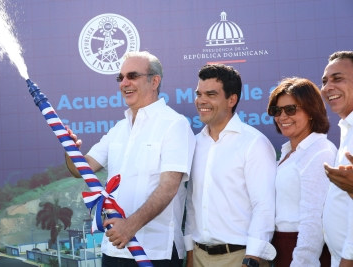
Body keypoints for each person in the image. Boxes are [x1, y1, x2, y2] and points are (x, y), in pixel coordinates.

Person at [65, 51, 196, 267]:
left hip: (155, 252)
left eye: (132, 76)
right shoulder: (119, 129)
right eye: (121, 77)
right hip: (114, 250)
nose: (124, 83)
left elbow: (169, 187)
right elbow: (82, 168)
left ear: (154, 81)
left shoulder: (174, 125)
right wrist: (70, 149)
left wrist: (130, 226)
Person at [184, 64, 276, 267]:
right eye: (199, 94)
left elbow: (264, 207)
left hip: (239, 258)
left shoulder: (254, 143)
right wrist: (190, 253)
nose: (202, 101)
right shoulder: (194, 144)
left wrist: (251, 259)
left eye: (211, 94)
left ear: (231, 99)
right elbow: (192, 205)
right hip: (199, 257)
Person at [267, 77, 336, 267]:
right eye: (276, 110)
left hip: (303, 251)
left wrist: (302, 262)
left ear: (311, 111)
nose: (282, 117)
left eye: (291, 109)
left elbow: (313, 218)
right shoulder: (290, 151)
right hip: (281, 249)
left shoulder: (321, 151)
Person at [321, 50, 353, 267]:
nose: (327, 87)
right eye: (324, 81)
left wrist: (348, 257)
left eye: (337, 79)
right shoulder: (347, 129)